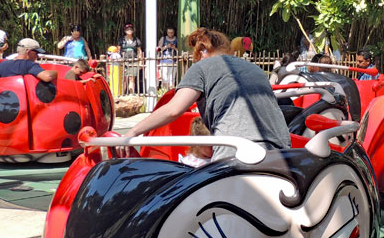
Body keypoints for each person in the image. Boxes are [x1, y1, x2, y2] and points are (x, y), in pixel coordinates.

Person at [123, 28, 291, 161]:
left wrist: (133, 132)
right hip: (282, 153)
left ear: (202, 51)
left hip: (236, 154)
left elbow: (173, 109)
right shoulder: (256, 69)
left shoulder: (202, 68)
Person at [119, 23, 143, 93]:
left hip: (134, 61)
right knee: (124, 79)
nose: (129, 30)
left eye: (130, 29)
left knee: (131, 78)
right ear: (125, 31)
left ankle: (131, 94)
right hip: (123, 61)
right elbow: (118, 50)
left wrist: (141, 62)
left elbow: (139, 51)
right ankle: (123, 94)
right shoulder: (121, 40)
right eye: (127, 29)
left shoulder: (136, 40)